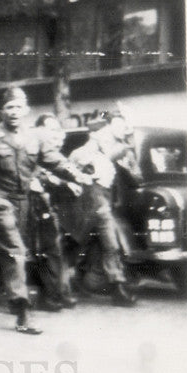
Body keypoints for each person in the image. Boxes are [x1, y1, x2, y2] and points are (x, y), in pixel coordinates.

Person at [0, 87, 91, 335]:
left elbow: (55, 161)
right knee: (15, 252)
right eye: (9, 107)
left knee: (5, 257)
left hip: (23, 204)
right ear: (3, 111)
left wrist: (77, 174)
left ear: (27, 110)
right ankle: (22, 312)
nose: (14, 112)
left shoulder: (36, 137)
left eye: (18, 107)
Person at [68, 112, 140, 307]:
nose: (117, 130)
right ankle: (57, 284)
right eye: (114, 126)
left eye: (121, 126)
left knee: (104, 244)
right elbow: (75, 164)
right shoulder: (89, 150)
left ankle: (117, 288)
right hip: (91, 198)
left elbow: (137, 178)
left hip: (103, 199)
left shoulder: (121, 151)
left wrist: (128, 160)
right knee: (78, 243)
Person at [27, 114, 80, 311]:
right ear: (40, 129)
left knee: (51, 251)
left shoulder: (48, 151)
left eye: (56, 130)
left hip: (45, 206)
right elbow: (40, 174)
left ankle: (54, 294)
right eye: (51, 129)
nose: (54, 134)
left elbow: (53, 173)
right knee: (30, 252)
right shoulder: (33, 148)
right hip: (31, 204)